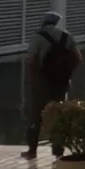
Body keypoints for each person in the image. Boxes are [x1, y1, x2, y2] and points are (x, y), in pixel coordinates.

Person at [23, 11, 80, 160]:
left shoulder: (38, 36)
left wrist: (31, 80)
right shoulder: (67, 36)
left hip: (41, 83)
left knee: (36, 116)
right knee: (58, 115)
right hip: (61, 84)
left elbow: (30, 60)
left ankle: (32, 151)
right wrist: (67, 74)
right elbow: (78, 59)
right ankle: (58, 151)